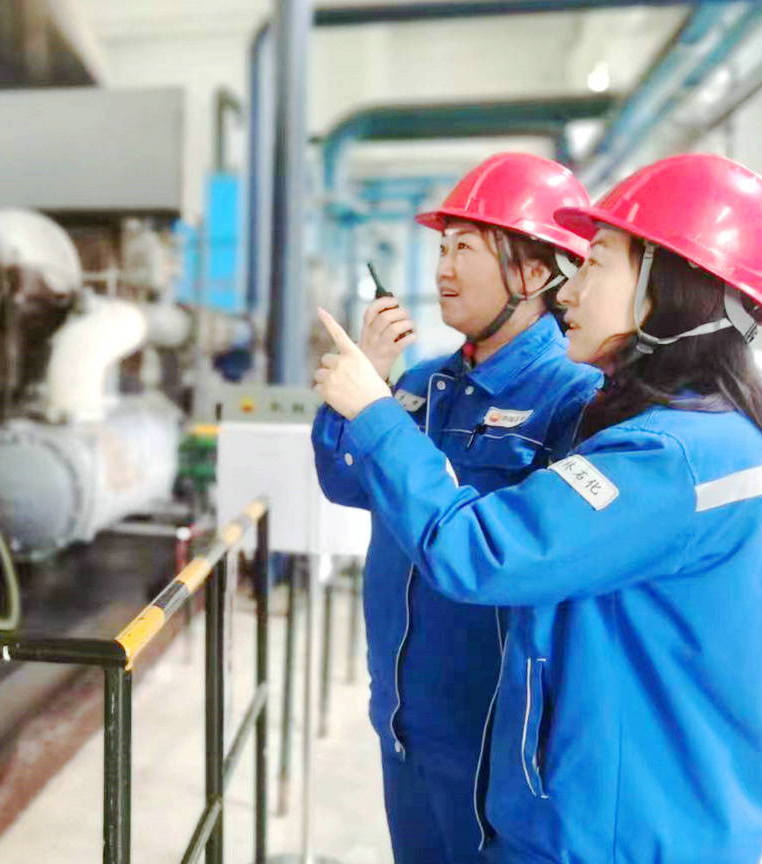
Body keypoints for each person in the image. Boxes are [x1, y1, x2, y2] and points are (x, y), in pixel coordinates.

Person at [314, 153, 762, 864]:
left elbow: (481, 551)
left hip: (604, 819)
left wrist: (376, 414)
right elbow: (357, 485)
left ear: (666, 284)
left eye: (594, 263)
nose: (572, 288)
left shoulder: (659, 453)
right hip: (552, 780)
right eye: (442, 247)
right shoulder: (693, 439)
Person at [312, 152, 602, 864]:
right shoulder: (422, 383)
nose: (444, 266)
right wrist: (367, 387)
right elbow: (345, 485)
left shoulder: (574, 397)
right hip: (403, 715)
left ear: (534, 273)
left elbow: (526, 558)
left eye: (466, 247)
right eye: (443, 246)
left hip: (495, 732)